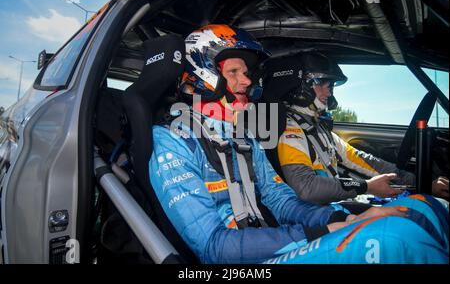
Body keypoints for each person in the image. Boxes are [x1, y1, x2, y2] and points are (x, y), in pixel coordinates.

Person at [149, 25, 448, 264]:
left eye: (246, 73)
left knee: (422, 209)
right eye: (234, 73)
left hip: (274, 240)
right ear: (205, 76)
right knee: (396, 241)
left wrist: (346, 217)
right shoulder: (172, 141)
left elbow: (282, 201)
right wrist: (325, 230)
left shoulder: (245, 134)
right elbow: (213, 248)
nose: (247, 81)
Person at [267, 52, 449, 206]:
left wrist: (422, 184)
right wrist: (366, 186)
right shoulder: (290, 129)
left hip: (328, 205)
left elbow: (366, 161)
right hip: (313, 213)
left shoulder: (320, 129)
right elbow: (307, 188)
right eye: (321, 84)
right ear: (302, 87)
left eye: (330, 86)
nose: (329, 92)